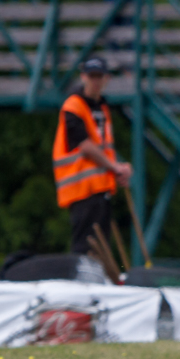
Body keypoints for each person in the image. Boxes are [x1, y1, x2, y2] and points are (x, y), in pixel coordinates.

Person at [52, 56, 132, 255]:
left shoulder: (102, 108)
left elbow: (104, 148)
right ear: (83, 77)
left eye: (99, 76)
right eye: (91, 76)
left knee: (102, 249)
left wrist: (118, 170)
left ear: (106, 78)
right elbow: (85, 146)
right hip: (81, 189)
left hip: (101, 188)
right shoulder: (73, 106)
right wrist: (115, 167)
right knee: (84, 248)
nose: (95, 81)